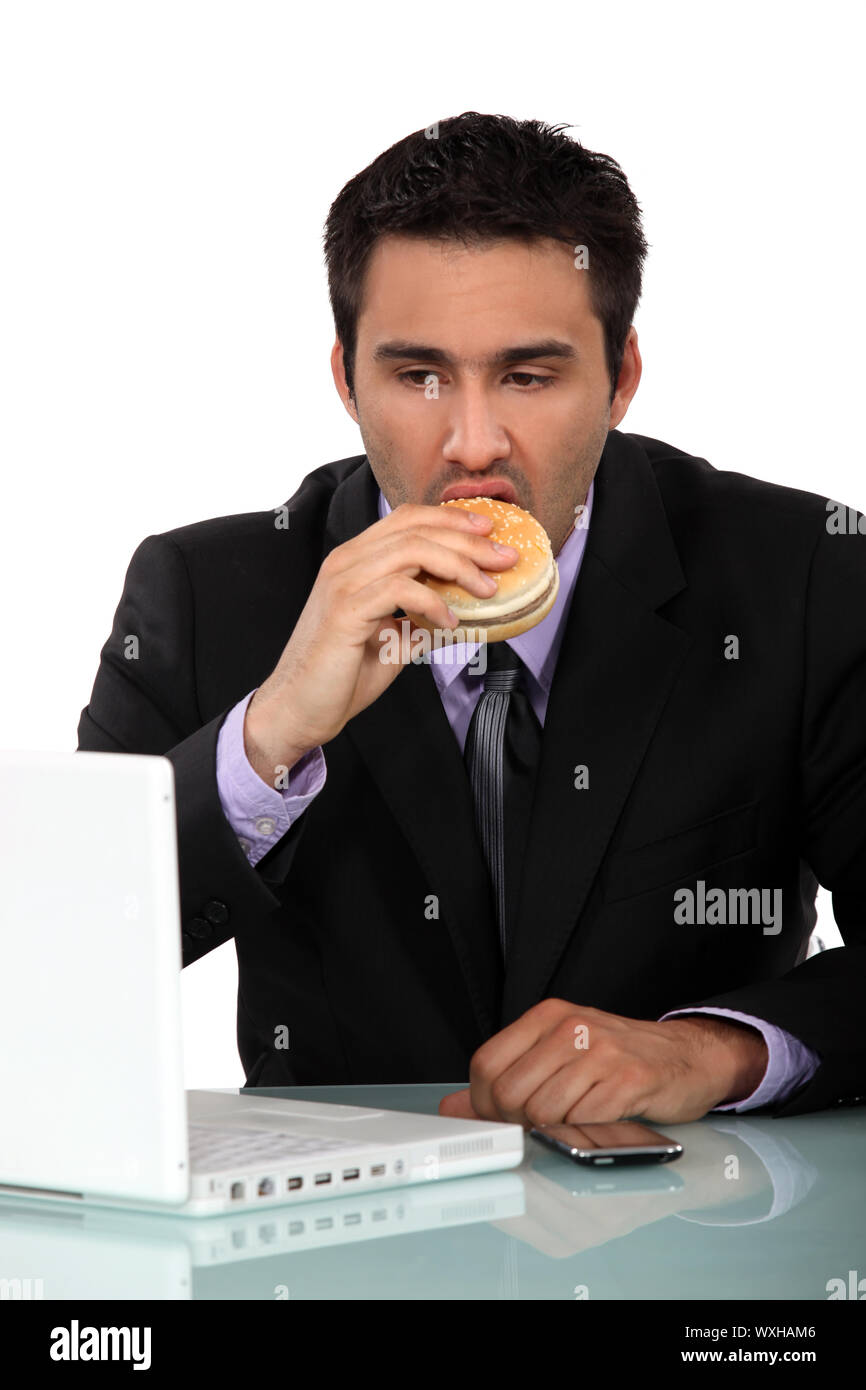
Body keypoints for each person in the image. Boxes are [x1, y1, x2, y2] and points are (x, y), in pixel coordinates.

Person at [78, 112, 866, 1126]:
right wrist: (267, 737)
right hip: (334, 1245)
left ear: (620, 377)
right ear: (345, 381)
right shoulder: (203, 591)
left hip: (684, 1219)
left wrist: (712, 1050)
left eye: (527, 376)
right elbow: (62, 958)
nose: (472, 443)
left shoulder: (800, 575)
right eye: (417, 375)